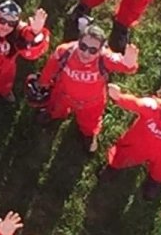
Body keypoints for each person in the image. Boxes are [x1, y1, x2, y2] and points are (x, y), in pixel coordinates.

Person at [33, 24, 138, 153]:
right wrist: (43, 82)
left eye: (93, 50)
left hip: (91, 103)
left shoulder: (104, 58)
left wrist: (129, 63)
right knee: (55, 107)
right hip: (63, 93)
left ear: (101, 50)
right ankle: (53, 114)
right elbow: (51, 67)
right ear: (78, 41)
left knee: (89, 122)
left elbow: (125, 65)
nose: (86, 53)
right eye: (83, 47)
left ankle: (88, 135)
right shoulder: (65, 51)